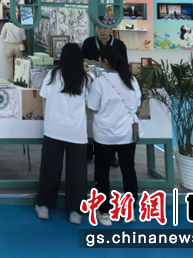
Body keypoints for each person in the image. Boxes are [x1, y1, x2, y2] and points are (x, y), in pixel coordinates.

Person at [36, 43, 94, 225]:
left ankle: (44, 206)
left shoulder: (52, 75)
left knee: (50, 168)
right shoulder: (86, 79)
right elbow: (91, 103)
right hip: (77, 131)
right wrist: (90, 72)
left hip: (53, 129)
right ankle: (76, 211)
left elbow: (44, 96)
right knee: (77, 173)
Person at [87, 45, 143, 227]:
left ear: (104, 61)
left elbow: (92, 107)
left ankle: (104, 212)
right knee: (129, 170)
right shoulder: (131, 80)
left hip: (105, 135)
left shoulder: (100, 83)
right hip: (127, 134)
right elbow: (137, 103)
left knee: (102, 172)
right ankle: (130, 210)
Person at [81, 23, 128, 166]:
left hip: (111, 86)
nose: (103, 31)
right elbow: (81, 61)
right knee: (88, 117)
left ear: (111, 29)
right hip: (91, 85)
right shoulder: (88, 43)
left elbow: (124, 64)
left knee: (110, 117)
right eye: (100, 28)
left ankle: (111, 155)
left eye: (106, 28)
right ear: (95, 28)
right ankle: (88, 152)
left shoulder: (119, 45)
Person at [0, 17, 26, 82]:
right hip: (18, 46)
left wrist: (8, 37)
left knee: (9, 65)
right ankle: (18, 81)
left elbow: (2, 35)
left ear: (10, 19)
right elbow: (24, 38)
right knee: (19, 64)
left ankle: (10, 80)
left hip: (9, 46)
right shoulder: (21, 26)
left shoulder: (7, 25)